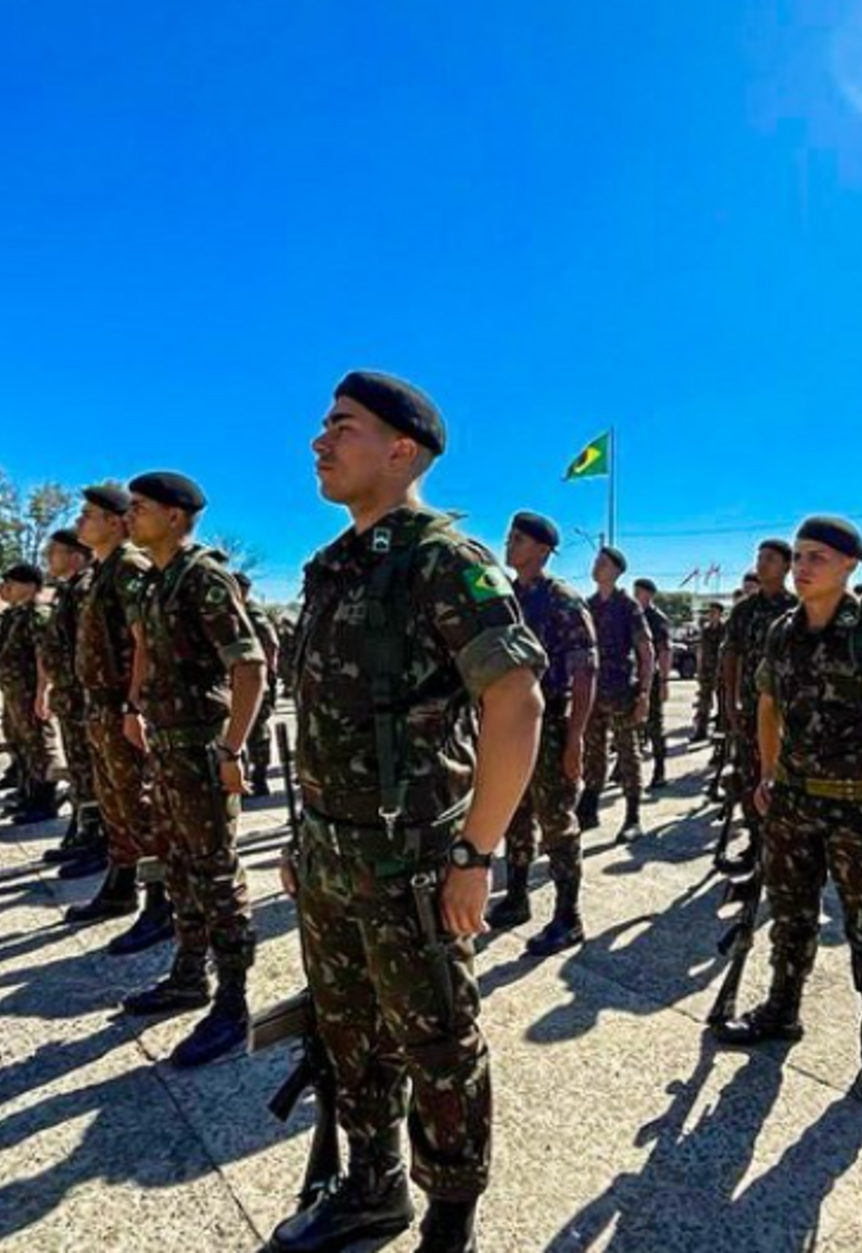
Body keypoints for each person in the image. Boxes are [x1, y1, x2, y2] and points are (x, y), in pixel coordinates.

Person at [271, 371, 544, 1253]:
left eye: (341, 427)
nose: (320, 441)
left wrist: (475, 854)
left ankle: (450, 1220)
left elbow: (517, 702)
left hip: (413, 859)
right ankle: (372, 1186)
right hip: (328, 852)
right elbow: (320, 720)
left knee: (438, 1044)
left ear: (401, 449)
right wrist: (299, 835)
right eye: (323, 426)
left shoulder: (442, 559)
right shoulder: (333, 566)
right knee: (348, 1031)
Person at [712, 517, 862, 1115]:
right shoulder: (782, 632)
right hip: (793, 801)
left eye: (819, 558)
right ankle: (783, 1010)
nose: (804, 566)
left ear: (850, 566)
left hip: (859, 802)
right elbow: (766, 705)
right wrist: (767, 772)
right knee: (790, 912)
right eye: (801, 556)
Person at [119, 471, 268, 1069]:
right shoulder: (158, 582)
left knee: (214, 871)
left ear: (176, 516)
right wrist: (136, 709)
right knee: (179, 864)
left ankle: (233, 1002)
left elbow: (249, 665)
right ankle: (187, 974)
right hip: (168, 748)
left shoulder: (203, 577)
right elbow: (147, 652)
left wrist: (232, 750)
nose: (131, 516)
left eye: (141, 508)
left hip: (203, 748)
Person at [66, 483, 169, 951]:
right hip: (100, 706)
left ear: (115, 521)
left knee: (140, 805)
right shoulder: (101, 572)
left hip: (120, 706)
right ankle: (121, 883)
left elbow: (145, 640)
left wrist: (134, 706)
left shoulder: (128, 568)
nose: (79, 522)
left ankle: (160, 902)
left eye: (88, 515)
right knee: (115, 803)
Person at [490, 510, 597, 956]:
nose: (509, 543)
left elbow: (585, 672)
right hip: (509, 723)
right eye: (510, 536)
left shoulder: (563, 600)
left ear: (541, 549)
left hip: (551, 723)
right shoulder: (509, 597)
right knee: (513, 814)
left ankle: (568, 917)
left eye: (518, 538)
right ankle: (516, 898)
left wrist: (575, 739)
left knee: (557, 821)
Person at [716, 540, 799, 875]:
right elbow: (731, 654)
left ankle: (786, 850)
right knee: (751, 778)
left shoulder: (798, 608)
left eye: (770, 559)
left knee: (789, 782)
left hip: (792, 714)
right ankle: (756, 843)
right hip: (751, 709)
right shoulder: (744, 609)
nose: (762, 564)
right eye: (759, 558)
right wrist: (730, 699)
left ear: (786, 567)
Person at [579, 547, 654, 838]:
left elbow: (645, 652)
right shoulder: (589, 605)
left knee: (627, 754)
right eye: (596, 561)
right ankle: (589, 807)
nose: (596, 566)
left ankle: (633, 816)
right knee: (593, 751)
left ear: (615, 570)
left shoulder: (628, 606)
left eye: (602, 563)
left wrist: (645, 694)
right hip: (595, 692)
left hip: (623, 692)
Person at [39, 527, 102, 878]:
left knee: (91, 772)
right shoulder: (67, 592)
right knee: (80, 770)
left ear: (77, 556)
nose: (50, 558)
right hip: (71, 697)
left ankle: (96, 839)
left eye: (56, 552)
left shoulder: (85, 589)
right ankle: (84, 832)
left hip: (85, 699)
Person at [0, 565, 61, 822]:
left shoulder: (39, 614)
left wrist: (43, 691)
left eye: (12, 582)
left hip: (31, 690)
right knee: (22, 743)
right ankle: (28, 792)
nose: (6, 587)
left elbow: (43, 655)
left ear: (31, 586)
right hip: (15, 691)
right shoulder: (16, 615)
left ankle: (45, 800)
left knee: (39, 745)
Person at [235, 572, 283, 798]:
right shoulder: (237, 610)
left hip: (256, 680)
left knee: (258, 730)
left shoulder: (252, 612)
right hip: (239, 680)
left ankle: (260, 778)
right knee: (243, 731)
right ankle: (246, 779)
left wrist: (269, 674)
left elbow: (271, 643)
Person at [633, 577, 674, 790]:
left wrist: (665, 681)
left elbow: (665, 651)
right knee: (631, 724)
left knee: (654, 725)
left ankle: (659, 771)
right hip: (632, 678)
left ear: (648, 594)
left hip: (653, 679)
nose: (635, 596)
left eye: (638, 592)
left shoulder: (657, 618)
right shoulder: (632, 615)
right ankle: (623, 769)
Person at [692, 601, 726, 739]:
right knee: (703, 702)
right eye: (709, 612)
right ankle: (701, 731)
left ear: (720, 614)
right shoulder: (705, 630)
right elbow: (701, 650)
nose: (710, 615)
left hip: (721, 670)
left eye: (713, 612)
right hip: (706, 670)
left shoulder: (725, 629)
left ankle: (721, 731)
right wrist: (699, 669)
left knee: (722, 702)